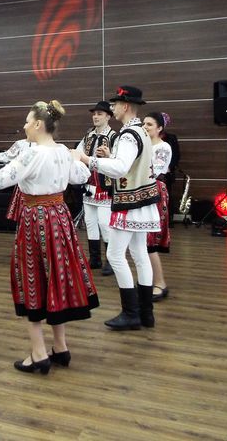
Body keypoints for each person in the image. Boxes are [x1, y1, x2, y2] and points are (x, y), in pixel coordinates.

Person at [0, 100, 98, 374]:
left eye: (27, 122)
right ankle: (60, 347)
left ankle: (39, 353)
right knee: (56, 276)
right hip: (60, 218)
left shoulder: (32, 154)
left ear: (38, 124)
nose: (25, 126)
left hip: (36, 219)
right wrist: (76, 157)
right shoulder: (62, 152)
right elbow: (82, 175)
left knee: (33, 279)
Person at [75, 86, 160, 331]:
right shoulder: (140, 131)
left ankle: (131, 312)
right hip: (142, 200)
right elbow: (129, 164)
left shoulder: (128, 134)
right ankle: (146, 313)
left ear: (125, 106)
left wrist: (88, 160)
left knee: (114, 255)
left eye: (115, 105)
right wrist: (109, 157)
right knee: (140, 254)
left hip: (130, 202)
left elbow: (121, 168)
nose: (112, 108)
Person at [75, 101, 117, 274]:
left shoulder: (114, 136)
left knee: (105, 223)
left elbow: (120, 161)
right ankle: (95, 259)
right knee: (90, 222)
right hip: (89, 185)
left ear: (108, 116)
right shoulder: (88, 135)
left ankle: (111, 260)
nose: (95, 117)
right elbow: (79, 153)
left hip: (105, 186)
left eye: (100, 114)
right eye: (94, 114)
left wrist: (109, 155)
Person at [143, 112, 172, 302]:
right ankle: (147, 281)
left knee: (150, 240)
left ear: (160, 128)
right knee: (142, 241)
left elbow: (156, 170)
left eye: (150, 124)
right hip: (143, 190)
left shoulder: (163, 147)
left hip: (155, 191)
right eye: (144, 123)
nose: (145, 127)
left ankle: (160, 282)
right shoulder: (143, 145)